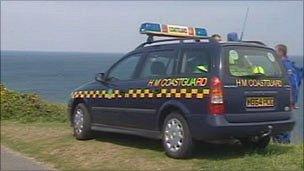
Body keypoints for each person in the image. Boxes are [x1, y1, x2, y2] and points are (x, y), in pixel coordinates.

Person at [273, 44, 303, 144]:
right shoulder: (290, 64)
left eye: (275, 51)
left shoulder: (285, 66)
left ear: (281, 52)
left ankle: (282, 142)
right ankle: (281, 141)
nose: (274, 54)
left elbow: (293, 84)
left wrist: (292, 100)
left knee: (282, 121)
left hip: (284, 98)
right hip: (284, 98)